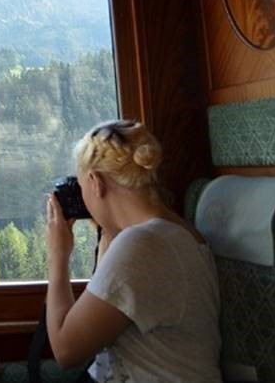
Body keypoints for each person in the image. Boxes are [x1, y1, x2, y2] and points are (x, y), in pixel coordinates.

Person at [45, 119, 221, 383]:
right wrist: (109, 233)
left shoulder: (142, 245)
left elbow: (65, 350)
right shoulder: (177, 232)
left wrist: (58, 254)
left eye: (82, 188)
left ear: (95, 183)